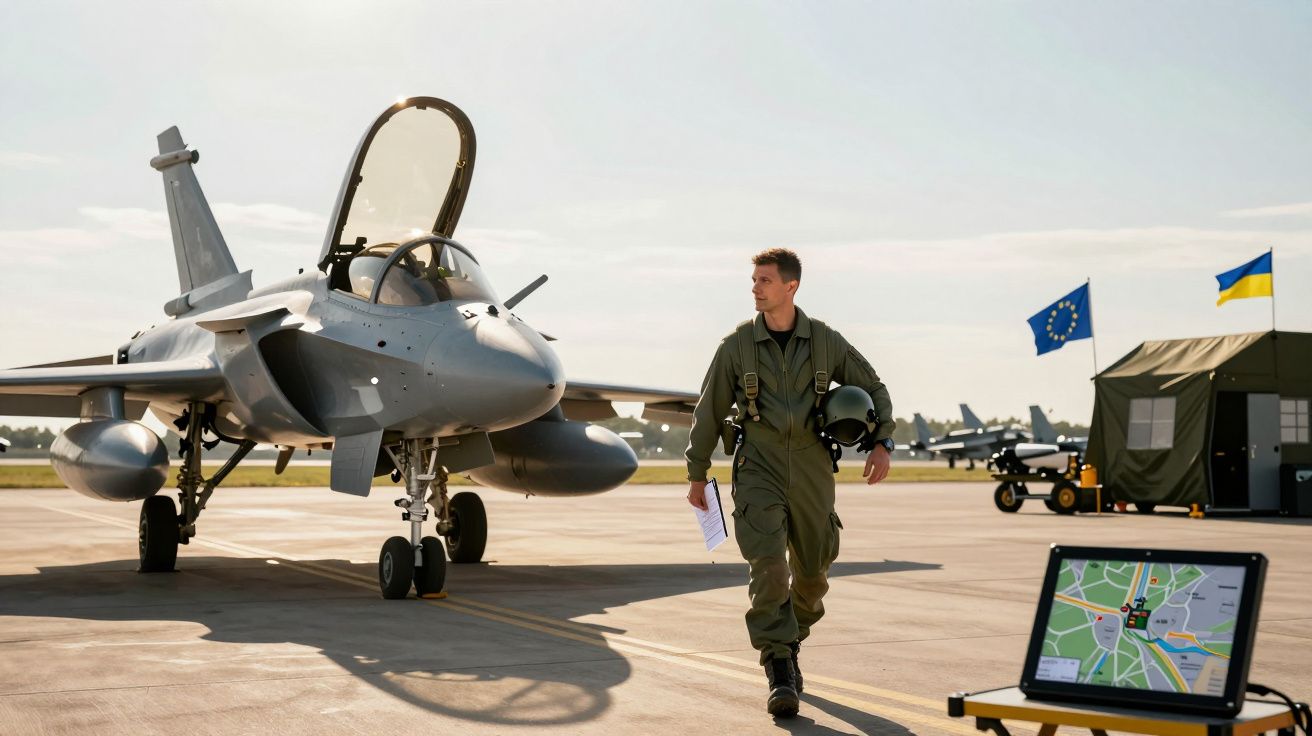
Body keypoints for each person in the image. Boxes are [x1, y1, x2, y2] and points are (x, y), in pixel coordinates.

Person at [685, 248, 895, 718]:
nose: (755, 288)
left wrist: (883, 443)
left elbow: (876, 389)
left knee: (815, 571)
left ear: (790, 286)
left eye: (764, 280)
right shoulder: (735, 347)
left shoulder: (825, 342)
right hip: (758, 466)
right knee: (768, 566)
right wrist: (697, 473)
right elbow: (707, 411)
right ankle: (779, 666)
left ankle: (791, 635)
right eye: (754, 280)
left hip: (813, 467)